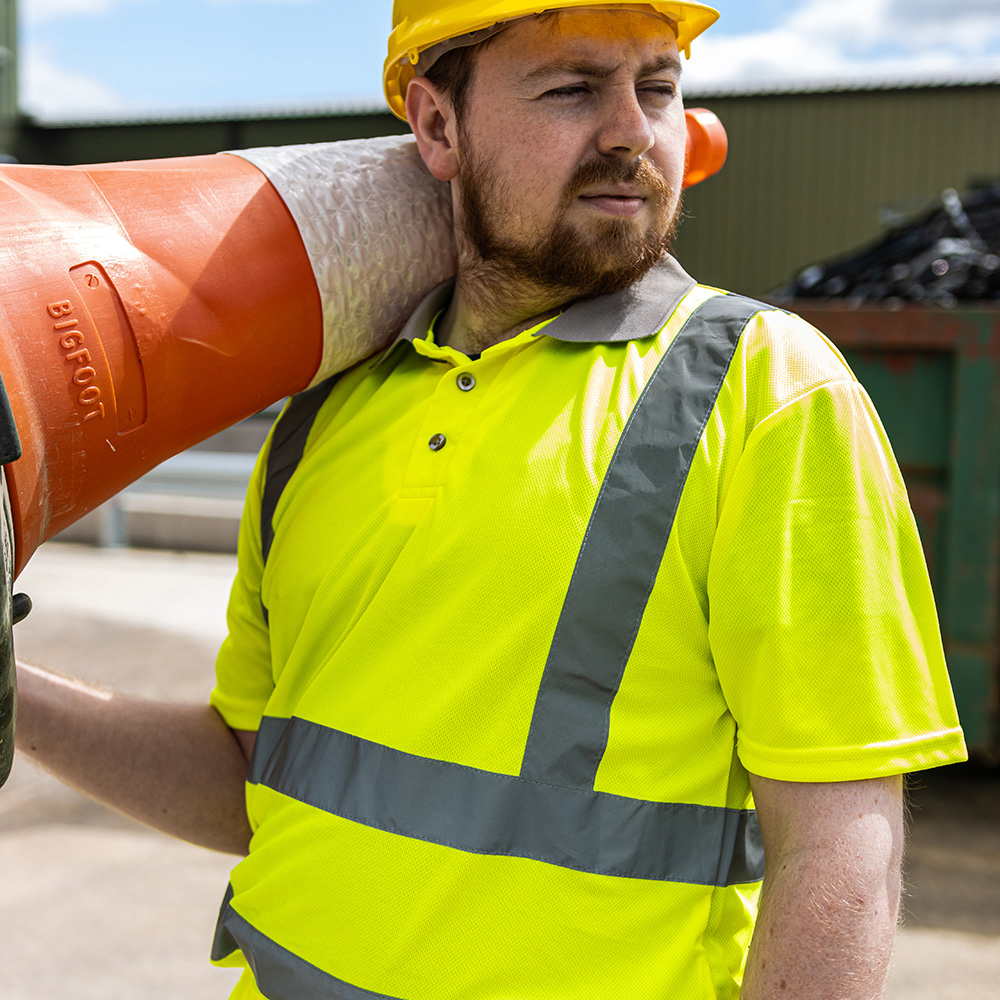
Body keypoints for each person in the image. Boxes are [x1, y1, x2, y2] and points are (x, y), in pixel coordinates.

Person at [14, 2, 968, 998]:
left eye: (656, 86)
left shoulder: (762, 389)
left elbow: (838, 849)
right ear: (434, 126)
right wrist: (13, 689)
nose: (632, 132)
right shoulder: (327, 417)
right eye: (571, 89)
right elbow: (251, 778)